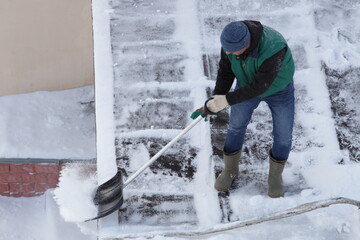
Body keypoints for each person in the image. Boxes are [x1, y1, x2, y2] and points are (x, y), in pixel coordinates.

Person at [191, 20, 295, 198]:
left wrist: (227, 100)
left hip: (279, 90)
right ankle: (230, 170)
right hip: (247, 84)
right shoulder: (230, 45)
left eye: (232, 50)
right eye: (226, 49)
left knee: (283, 135)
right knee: (236, 126)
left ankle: (275, 176)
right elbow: (225, 71)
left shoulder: (274, 47)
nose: (228, 53)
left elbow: (261, 85)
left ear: (246, 44)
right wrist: (216, 99)